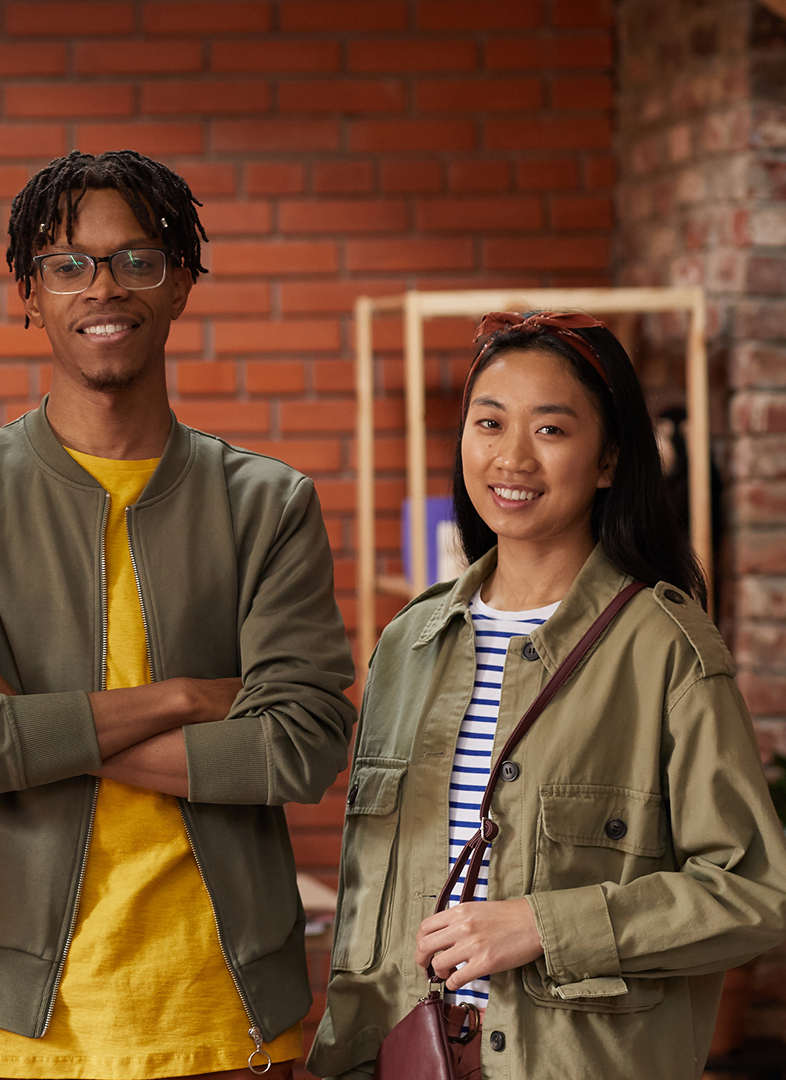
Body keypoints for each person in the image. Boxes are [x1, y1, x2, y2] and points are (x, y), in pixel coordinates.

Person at [0, 149, 356, 1080]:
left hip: (225, 1014)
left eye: (138, 261)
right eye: (69, 265)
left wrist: (25, 727)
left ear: (179, 288)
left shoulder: (267, 503)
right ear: (30, 293)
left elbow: (300, 745)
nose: (105, 287)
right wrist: (181, 698)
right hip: (12, 1033)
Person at [309, 312, 786, 1078]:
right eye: (488, 423)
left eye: (552, 430)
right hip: (412, 1059)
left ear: (608, 461)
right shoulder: (410, 643)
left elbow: (757, 893)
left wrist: (545, 925)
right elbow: (372, 902)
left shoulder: (666, 647)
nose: (511, 457)